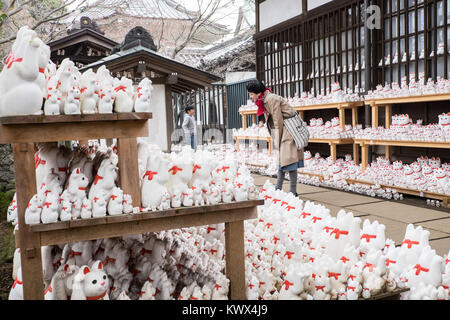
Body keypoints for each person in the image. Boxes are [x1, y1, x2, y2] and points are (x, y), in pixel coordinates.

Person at [246, 80, 304, 196]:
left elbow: (278, 119)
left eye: (252, 94)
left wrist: (278, 138)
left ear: (258, 93)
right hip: (284, 128)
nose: (251, 97)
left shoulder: (271, 99)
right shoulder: (264, 100)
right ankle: (278, 187)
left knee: (289, 159)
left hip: (289, 127)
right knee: (282, 159)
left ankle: (292, 191)